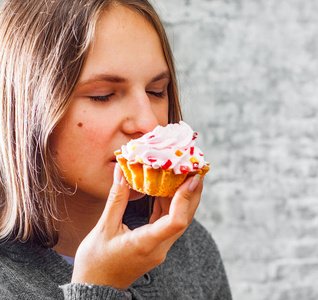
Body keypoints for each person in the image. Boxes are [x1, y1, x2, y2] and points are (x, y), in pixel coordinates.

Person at [0, 0, 232, 299]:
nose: (149, 122)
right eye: (103, 95)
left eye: (156, 91)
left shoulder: (189, 249)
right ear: (22, 109)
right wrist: (98, 288)